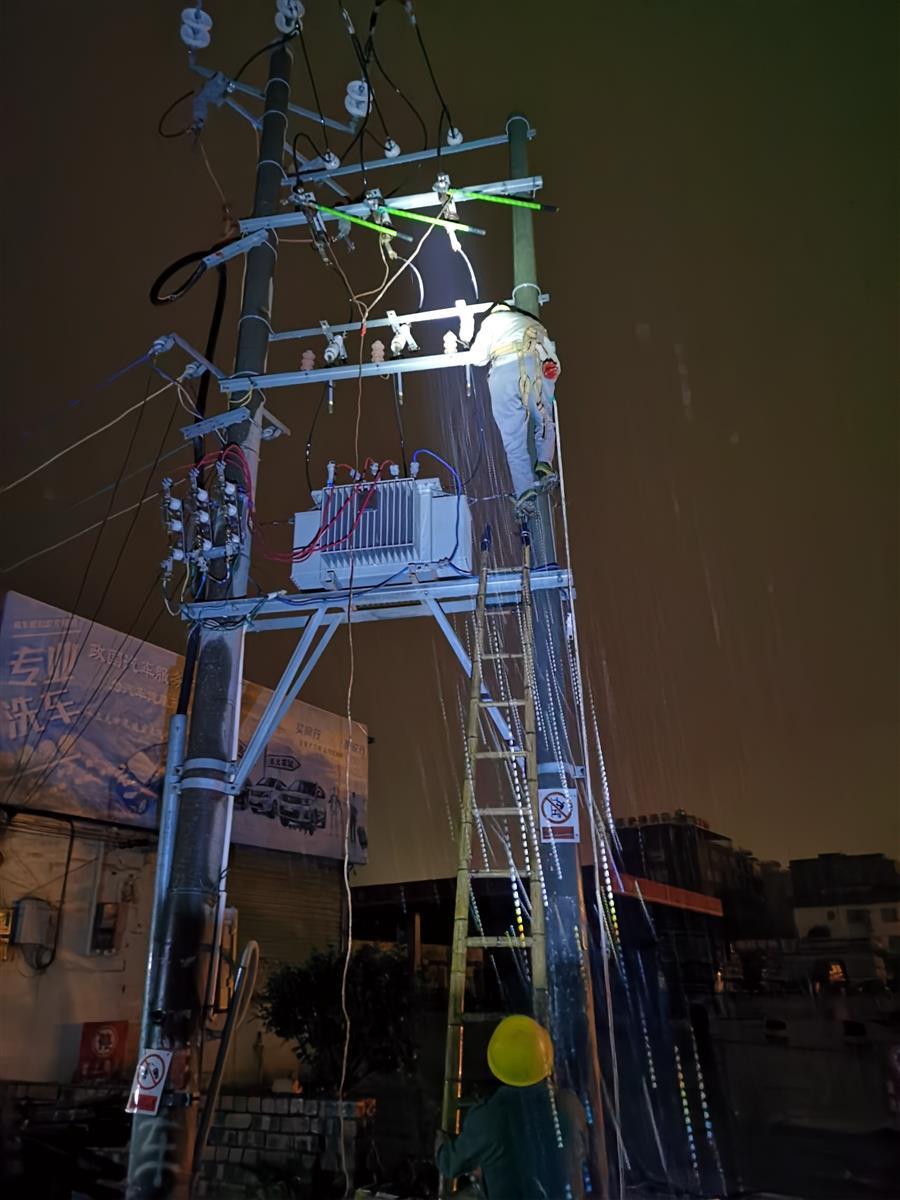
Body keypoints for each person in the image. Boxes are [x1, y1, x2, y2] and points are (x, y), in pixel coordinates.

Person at [435, 1014, 587, 1199]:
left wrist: (441, 1143)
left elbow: (450, 1164)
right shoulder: (569, 1105)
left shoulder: (488, 1118)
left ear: (495, 1064)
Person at [465, 301, 561, 521]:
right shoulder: (532, 322)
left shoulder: (491, 322)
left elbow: (477, 358)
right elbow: (552, 359)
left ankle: (525, 491)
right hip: (535, 366)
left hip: (504, 372)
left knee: (513, 438)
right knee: (544, 420)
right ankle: (545, 463)